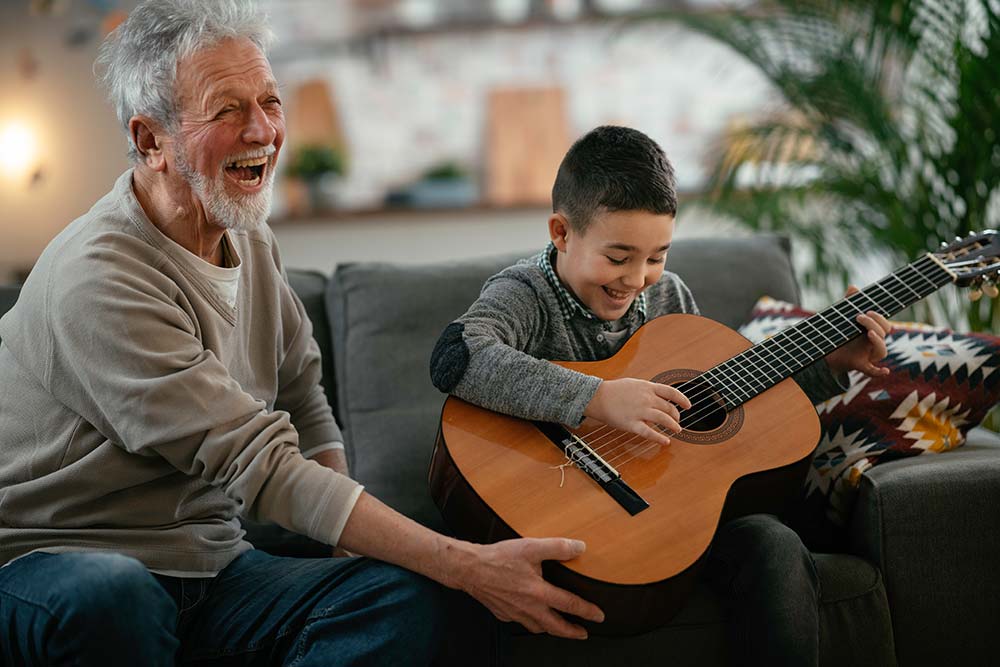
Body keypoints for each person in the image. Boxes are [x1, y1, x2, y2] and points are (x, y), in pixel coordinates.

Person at [0, 2, 604, 665]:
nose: (262, 129)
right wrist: (467, 562)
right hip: (49, 564)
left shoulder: (250, 239)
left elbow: (303, 395)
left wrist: (349, 550)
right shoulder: (99, 275)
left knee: (410, 596)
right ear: (151, 142)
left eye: (269, 100)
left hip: (211, 568)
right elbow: (253, 460)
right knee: (113, 593)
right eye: (227, 110)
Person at [430, 125, 892, 665]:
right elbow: (457, 356)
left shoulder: (671, 296)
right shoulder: (525, 294)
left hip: (668, 516)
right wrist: (597, 398)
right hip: (557, 503)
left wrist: (828, 365)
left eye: (656, 256)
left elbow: (725, 402)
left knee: (775, 544)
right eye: (619, 256)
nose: (637, 277)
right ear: (561, 232)